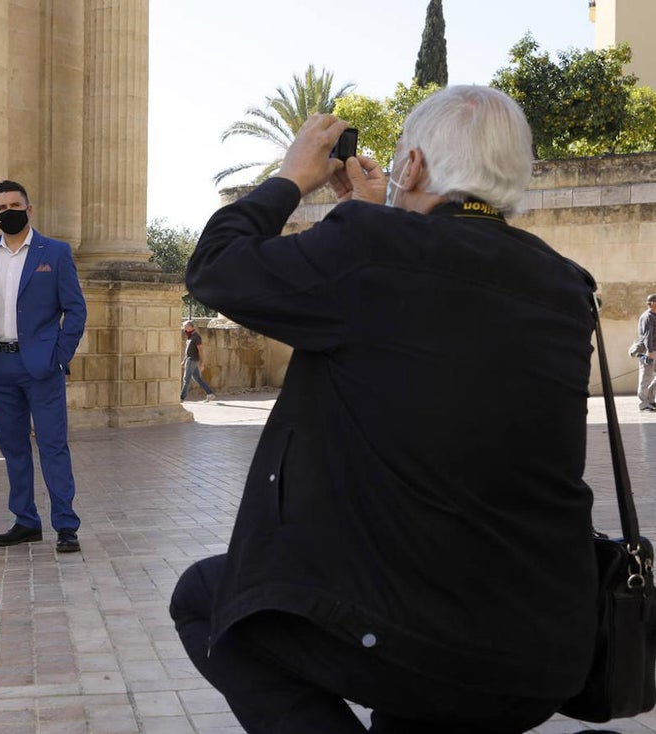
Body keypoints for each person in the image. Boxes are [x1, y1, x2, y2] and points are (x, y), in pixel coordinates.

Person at [169, 86, 599, 733]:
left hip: (419, 636)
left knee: (205, 601)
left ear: (416, 167)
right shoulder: (566, 286)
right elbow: (420, 338)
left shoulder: (371, 252)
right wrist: (369, 222)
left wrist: (292, 177)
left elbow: (216, 267)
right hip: (544, 644)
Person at [0, 180, 87, 553]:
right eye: (2, 207)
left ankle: (66, 525)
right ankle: (25, 521)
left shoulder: (55, 251)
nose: (9, 211)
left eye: (15, 204)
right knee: (14, 447)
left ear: (29, 208)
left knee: (53, 445)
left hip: (41, 365)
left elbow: (76, 308)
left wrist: (59, 354)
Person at [180, 320, 216, 402]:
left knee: (186, 379)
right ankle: (210, 394)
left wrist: (202, 362)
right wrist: (183, 360)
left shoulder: (196, 337)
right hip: (189, 359)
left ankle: (181, 398)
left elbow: (200, 350)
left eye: (186, 326)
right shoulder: (190, 337)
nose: (184, 328)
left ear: (191, 327)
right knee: (197, 378)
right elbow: (187, 351)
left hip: (192, 360)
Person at [637, 294, 656, 411]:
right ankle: (644, 403)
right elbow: (647, 336)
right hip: (649, 351)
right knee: (646, 377)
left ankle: (650, 399)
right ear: (653, 303)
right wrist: (650, 351)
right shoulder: (647, 317)